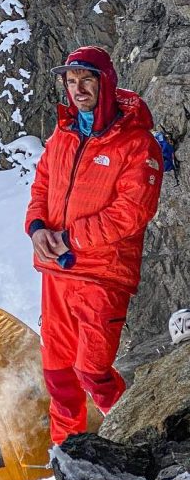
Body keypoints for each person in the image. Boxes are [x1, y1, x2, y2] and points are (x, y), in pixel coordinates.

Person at [25, 45, 163, 444]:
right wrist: (36, 228)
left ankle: (139, 439)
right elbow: (41, 187)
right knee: (58, 374)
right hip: (57, 271)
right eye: (71, 80)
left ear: (106, 82)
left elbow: (131, 212)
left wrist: (69, 237)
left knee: (92, 372)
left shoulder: (137, 143)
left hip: (103, 275)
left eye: (86, 79)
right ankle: (67, 455)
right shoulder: (63, 133)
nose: (78, 88)